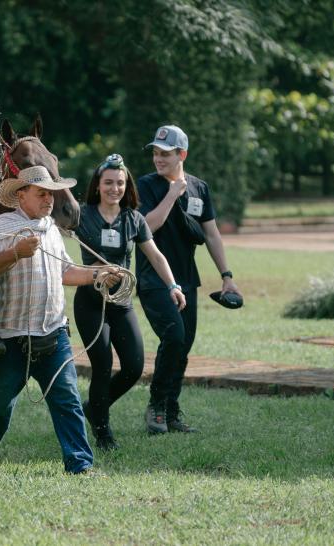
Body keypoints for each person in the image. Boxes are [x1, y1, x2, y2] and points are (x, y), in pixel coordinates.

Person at [0, 165, 122, 474]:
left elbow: (65, 271)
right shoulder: (1, 226)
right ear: (21, 196)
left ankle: (80, 464)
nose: (49, 200)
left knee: (67, 400)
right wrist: (15, 252)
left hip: (54, 335)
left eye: (51, 194)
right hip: (11, 338)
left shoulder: (51, 229)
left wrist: (98, 274)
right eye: (42, 193)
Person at [73, 154, 186, 450]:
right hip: (90, 302)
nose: (115, 188)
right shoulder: (82, 215)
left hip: (121, 303)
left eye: (120, 183)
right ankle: (102, 430)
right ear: (98, 185)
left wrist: (172, 285)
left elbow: (155, 255)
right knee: (102, 364)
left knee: (134, 367)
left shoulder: (133, 219)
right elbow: (50, 216)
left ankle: (94, 407)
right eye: (109, 182)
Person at [136, 125, 241, 434]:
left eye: (165, 154)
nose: (158, 159)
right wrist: (171, 195)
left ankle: (171, 411)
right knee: (174, 337)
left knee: (183, 346)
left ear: (182, 154)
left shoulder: (199, 188)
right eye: (155, 153)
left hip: (187, 280)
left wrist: (227, 276)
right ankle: (156, 406)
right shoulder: (145, 186)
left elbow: (211, 233)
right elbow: (146, 227)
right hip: (153, 278)